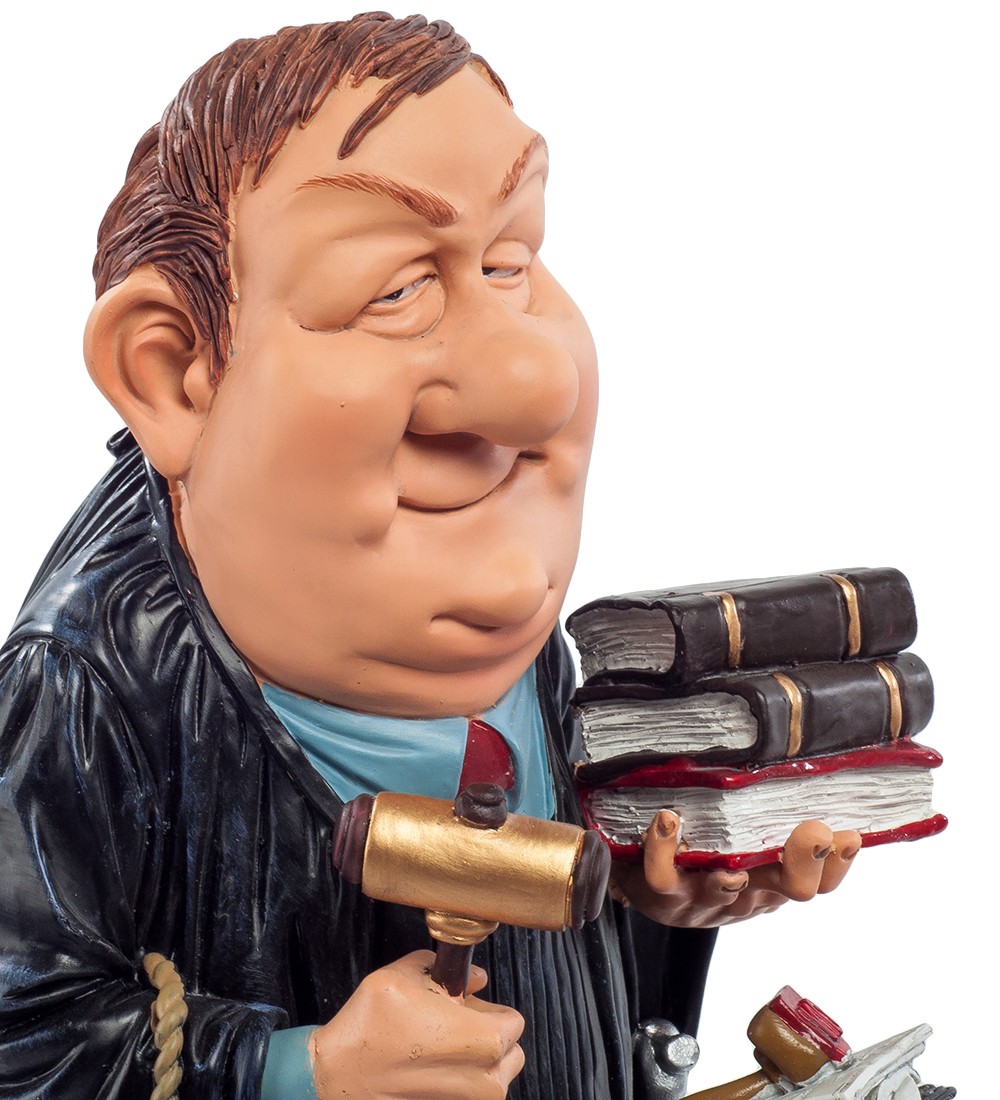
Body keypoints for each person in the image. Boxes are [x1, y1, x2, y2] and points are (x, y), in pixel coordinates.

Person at [0, 14, 859, 1099]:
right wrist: (298, 1071)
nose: (534, 382)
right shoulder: (90, 689)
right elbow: (23, 1035)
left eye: (509, 261)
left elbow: (557, 938)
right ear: (173, 374)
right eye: (394, 289)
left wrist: (656, 898)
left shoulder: (504, 621)